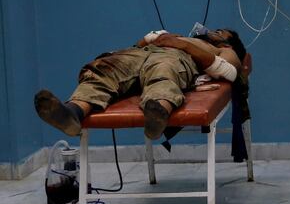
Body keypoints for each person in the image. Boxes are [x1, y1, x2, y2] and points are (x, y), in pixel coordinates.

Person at [34, 29, 246, 140]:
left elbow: (230, 72)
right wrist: (148, 39)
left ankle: (157, 112)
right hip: (139, 54)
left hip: (175, 57)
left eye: (221, 31)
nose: (214, 30)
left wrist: (181, 44)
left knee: (163, 73)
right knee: (105, 70)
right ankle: (72, 113)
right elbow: (136, 47)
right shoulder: (177, 35)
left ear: (227, 42)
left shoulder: (222, 50)